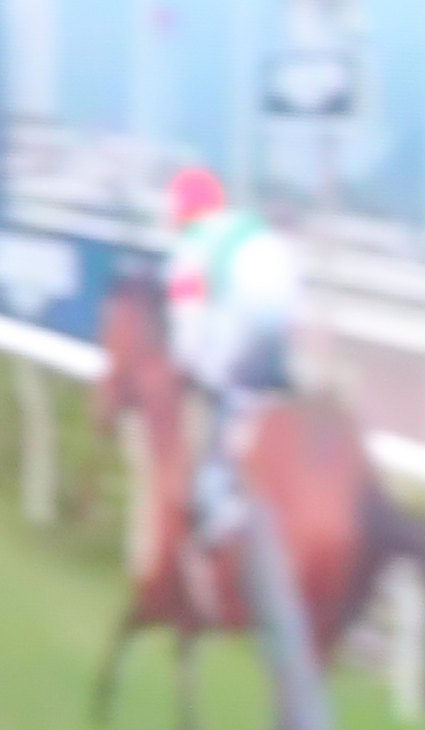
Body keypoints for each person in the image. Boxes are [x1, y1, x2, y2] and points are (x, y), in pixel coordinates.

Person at [158, 164, 305, 585]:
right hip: (284, 321)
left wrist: (187, 368)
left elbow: (187, 332)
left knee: (219, 406)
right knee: (269, 395)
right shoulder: (248, 225)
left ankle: (219, 513)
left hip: (246, 329)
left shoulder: (191, 246)